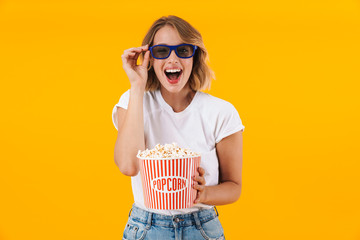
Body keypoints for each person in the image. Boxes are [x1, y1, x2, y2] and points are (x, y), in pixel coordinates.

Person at [112, 15, 245, 240]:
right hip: (145, 227)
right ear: (150, 59)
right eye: (162, 51)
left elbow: (234, 186)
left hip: (202, 228)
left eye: (183, 50)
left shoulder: (221, 112)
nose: (172, 59)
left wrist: (205, 193)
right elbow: (128, 166)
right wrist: (137, 85)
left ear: (195, 56)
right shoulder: (133, 101)